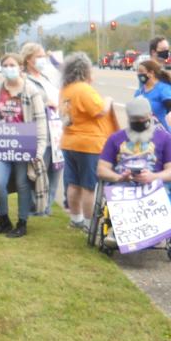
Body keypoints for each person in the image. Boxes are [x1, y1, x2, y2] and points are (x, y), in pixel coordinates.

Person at [0, 53, 47, 238]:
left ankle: (22, 222)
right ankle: (3, 219)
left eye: (12, 65)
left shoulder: (30, 90)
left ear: (20, 67)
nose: (9, 68)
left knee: (22, 183)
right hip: (1, 146)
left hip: (24, 145)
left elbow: (40, 121)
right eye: (6, 65)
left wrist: (39, 150)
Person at [59, 52, 117, 231]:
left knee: (73, 184)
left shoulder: (65, 90)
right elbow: (99, 111)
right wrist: (108, 100)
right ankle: (88, 223)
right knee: (88, 186)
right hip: (89, 144)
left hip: (69, 141)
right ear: (84, 70)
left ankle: (75, 219)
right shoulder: (84, 89)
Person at [98, 97, 171, 184]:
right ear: (129, 118)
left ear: (150, 115)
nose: (139, 121)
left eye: (142, 118)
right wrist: (119, 177)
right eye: (135, 118)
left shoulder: (164, 138)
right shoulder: (115, 138)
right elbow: (102, 169)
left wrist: (153, 177)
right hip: (121, 189)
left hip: (154, 189)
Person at [22, 42, 62, 216]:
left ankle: (47, 207)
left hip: (55, 131)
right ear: (29, 59)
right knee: (38, 171)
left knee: (56, 169)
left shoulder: (45, 77)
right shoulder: (24, 79)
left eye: (43, 56)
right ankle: (35, 208)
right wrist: (43, 104)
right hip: (40, 132)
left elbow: (63, 71)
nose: (42, 59)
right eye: (39, 56)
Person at [135, 59, 171, 134]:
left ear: (151, 73)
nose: (138, 74)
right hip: (145, 135)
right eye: (137, 71)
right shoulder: (139, 93)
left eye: (141, 71)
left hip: (163, 132)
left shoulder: (163, 88)